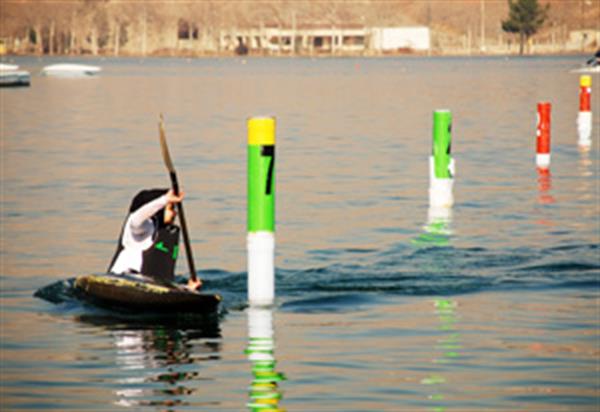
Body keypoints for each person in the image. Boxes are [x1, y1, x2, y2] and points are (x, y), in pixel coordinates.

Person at [108, 188, 202, 291]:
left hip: (145, 287)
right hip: (122, 280)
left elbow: (163, 285)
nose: (175, 213)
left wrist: (188, 288)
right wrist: (165, 200)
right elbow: (136, 218)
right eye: (171, 209)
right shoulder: (142, 226)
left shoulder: (162, 233)